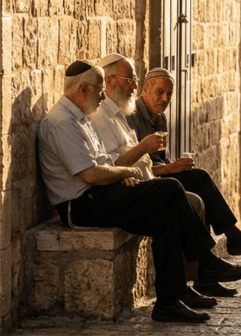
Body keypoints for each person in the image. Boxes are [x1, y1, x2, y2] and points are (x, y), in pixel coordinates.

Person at [37, 61, 241, 324]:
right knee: (171, 188)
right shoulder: (62, 122)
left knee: (167, 217)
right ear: (84, 89)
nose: (103, 94)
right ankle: (207, 262)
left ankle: (168, 302)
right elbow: (90, 174)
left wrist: (119, 174)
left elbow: (106, 164)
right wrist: (128, 173)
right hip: (81, 205)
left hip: (99, 195)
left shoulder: (81, 119)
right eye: (99, 89)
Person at [88, 53, 221, 303]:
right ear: (109, 82)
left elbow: (127, 160)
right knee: (175, 193)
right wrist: (138, 158)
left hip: (136, 182)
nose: (134, 87)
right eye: (130, 80)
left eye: (135, 80)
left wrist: (160, 165)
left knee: (177, 206)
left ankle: (177, 293)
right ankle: (207, 264)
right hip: (115, 193)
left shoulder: (117, 115)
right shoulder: (99, 118)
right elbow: (105, 166)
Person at [127, 67, 241, 271]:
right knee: (198, 184)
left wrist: (174, 166)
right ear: (144, 88)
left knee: (200, 185)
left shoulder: (160, 118)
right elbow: (136, 166)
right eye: (160, 92)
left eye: (169, 94)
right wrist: (170, 169)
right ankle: (226, 247)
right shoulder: (131, 117)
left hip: (160, 175)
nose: (165, 98)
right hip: (145, 183)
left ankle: (209, 272)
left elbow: (159, 159)